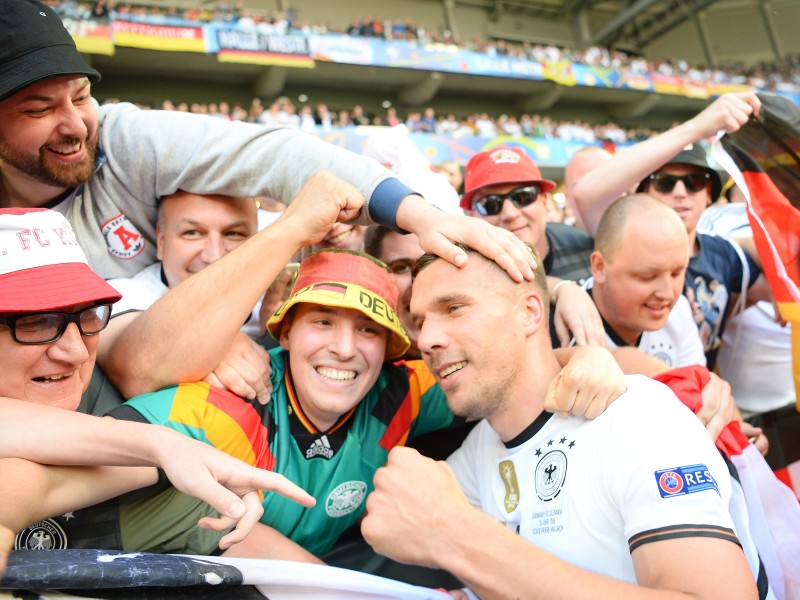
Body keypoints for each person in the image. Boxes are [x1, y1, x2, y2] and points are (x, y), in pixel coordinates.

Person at [111, 248, 629, 563]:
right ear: (285, 333)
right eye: (322, 322)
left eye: (367, 330)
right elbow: (61, 477)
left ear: (388, 349)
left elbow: (505, 365)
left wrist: (586, 356)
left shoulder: (401, 389)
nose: (343, 348)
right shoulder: (227, 403)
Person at [0, 0, 534, 286]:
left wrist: (419, 215)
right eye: (40, 109)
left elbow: (274, 156)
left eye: (80, 95)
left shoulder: (122, 138)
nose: (75, 124)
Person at [361, 244, 758, 599]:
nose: (427, 338)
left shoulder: (637, 419)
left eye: (453, 308)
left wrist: (457, 536)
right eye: (420, 320)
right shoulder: (478, 451)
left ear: (530, 312)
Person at [0, 207, 313, 556]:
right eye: (36, 323)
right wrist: (158, 446)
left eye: (88, 314)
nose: (75, 352)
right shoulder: (160, 436)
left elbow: (244, 550)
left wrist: (167, 448)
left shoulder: (154, 404)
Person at [571, 92, 772, 369]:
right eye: (665, 182)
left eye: (695, 181)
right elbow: (586, 193)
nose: (680, 193)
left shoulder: (725, 253)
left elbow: (780, 285)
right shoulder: (623, 235)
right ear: (644, 191)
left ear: (709, 192)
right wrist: (700, 126)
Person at [460, 147, 601, 347]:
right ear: (473, 216)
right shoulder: (466, 274)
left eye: (523, 196)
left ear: (544, 201)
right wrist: (562, 288)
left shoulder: (584, 245)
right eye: (490, 204)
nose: (510, 213)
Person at [588, 194, 706, 368]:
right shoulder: (563, 324)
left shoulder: (679, 311)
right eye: (647, 276)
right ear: (599, 267)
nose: (667, 293)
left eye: (676, 273)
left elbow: (697, 389)